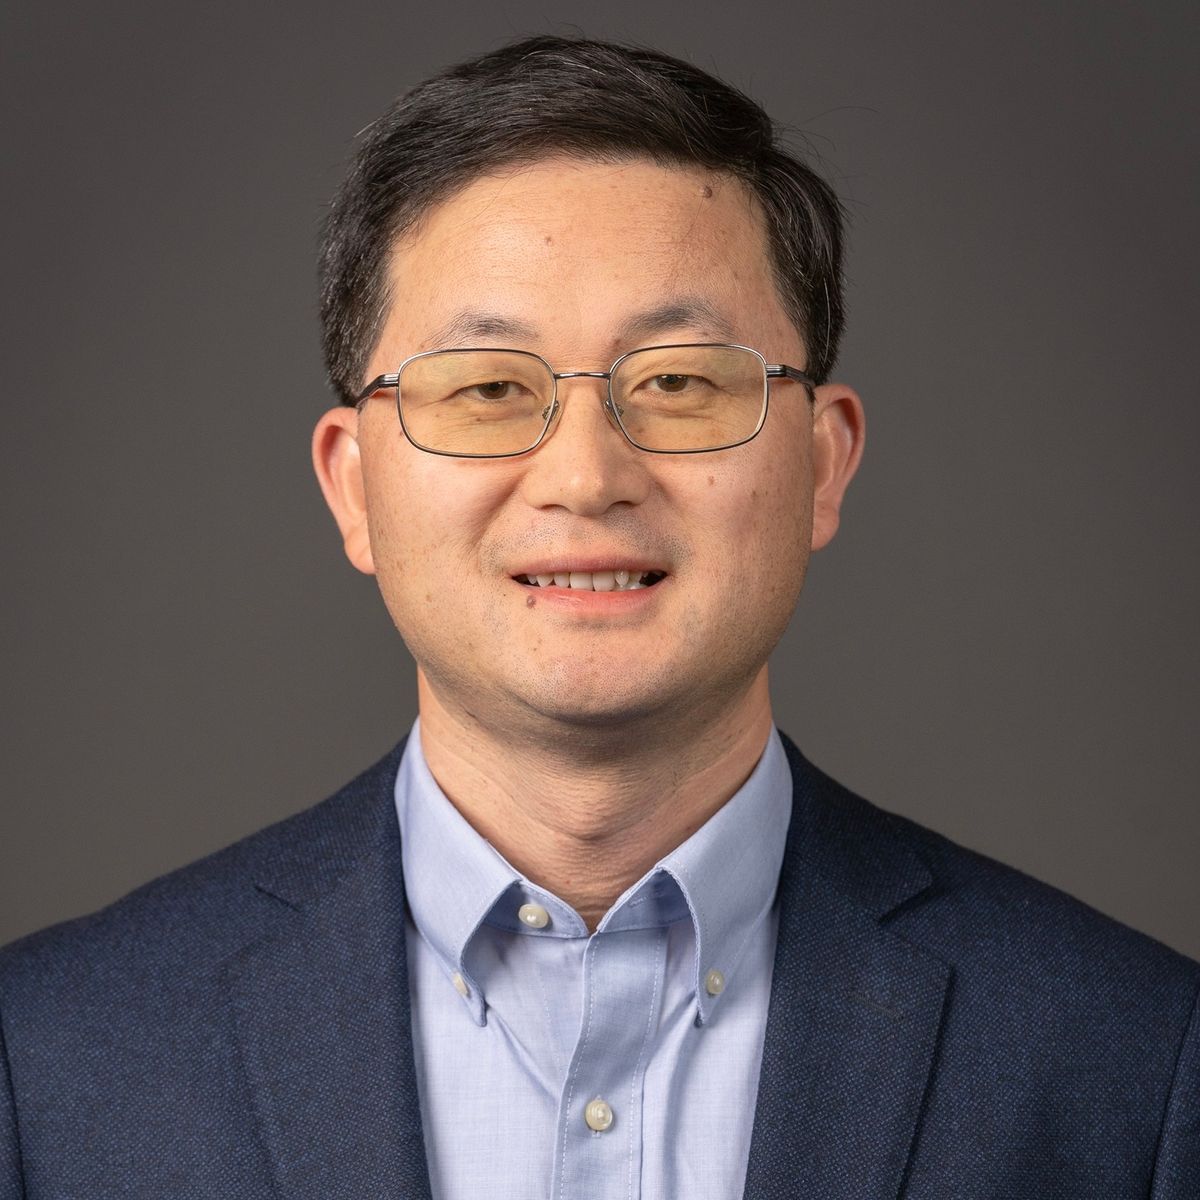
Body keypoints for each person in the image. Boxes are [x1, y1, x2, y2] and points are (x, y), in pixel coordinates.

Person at [1, 34, 1196, 1198]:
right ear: (353, 487)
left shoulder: (1131, 1064)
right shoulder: (51, 1061)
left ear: (824, 468)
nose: (584, 474)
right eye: (486, 389)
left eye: (678, 382)